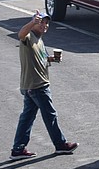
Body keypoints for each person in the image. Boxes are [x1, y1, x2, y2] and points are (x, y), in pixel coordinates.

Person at [10, 11, 77, 160]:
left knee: (27, 117)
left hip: (30, 85)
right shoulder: (29, 37)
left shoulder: (39, 40)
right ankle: (60, 144)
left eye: (46, 23)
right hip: (37, 85)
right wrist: (32, 22)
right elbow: (21, 34)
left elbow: (41, 59)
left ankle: (18, 148)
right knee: (50, 115)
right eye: (41, 22)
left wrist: (51, 59)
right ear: (34, 23)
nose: (44, 25)